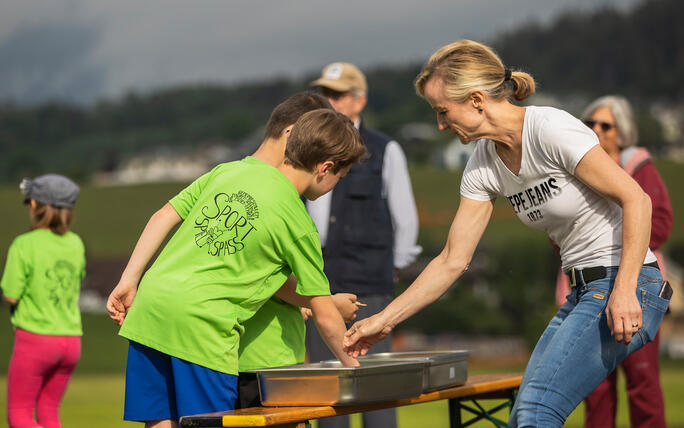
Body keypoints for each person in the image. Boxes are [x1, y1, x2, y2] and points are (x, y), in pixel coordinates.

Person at [342, 40, 671, 428]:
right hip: (585, 292)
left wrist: (625, 289)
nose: (440, 125)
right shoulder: (482, 165)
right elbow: (452, 260)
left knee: (536, 413)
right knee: (521, 418)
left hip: (628, 286)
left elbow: (637, 199)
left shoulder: (550, 129)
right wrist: (384, 319)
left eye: (443, 111)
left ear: (477, 100)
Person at [106, 105, 367, 427]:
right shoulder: (299, 223)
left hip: (150, 308)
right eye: (340, 177)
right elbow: (325, 315)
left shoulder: (229, 171)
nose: (335, 184)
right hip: (201, 326)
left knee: (161, 421)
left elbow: (162, 215)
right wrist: (355, 369)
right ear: (325, 168)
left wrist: (129, 279)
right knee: (211, 423)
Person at [305, 62, 421, 428]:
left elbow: (405, 217)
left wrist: (391, 268)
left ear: (360, 100)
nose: (329, 101)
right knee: (329, 391)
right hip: (318, 284)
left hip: (371, 287)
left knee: (376, 392)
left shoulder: (386, 149)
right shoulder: (306, 149)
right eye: (325, 94)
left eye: (337, 94)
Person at [552, 95, 672, 428]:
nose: (596, 130)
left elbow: (659, 223)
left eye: (605, 125)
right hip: (585, 291)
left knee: (643, 383)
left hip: (636, 290)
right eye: (589, 123)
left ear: (623, 132)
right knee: (596, 389)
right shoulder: (575, 169)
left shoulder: (639, 169)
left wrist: (611, 236)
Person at [236, 92, 360, 409]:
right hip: (261, 360)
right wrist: (356, 368)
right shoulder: (291, 213)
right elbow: (266, 280)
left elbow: (258, 273)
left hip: (243, 358)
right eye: (340, 177)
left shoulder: (235, 180)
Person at [1, 174, 85, 428]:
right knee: (49, 412)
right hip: (71, 340)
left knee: (20, 414)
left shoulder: (24, 244)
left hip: (36, 339)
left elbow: (11, 294)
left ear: (35, 205)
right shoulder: (76, 243)